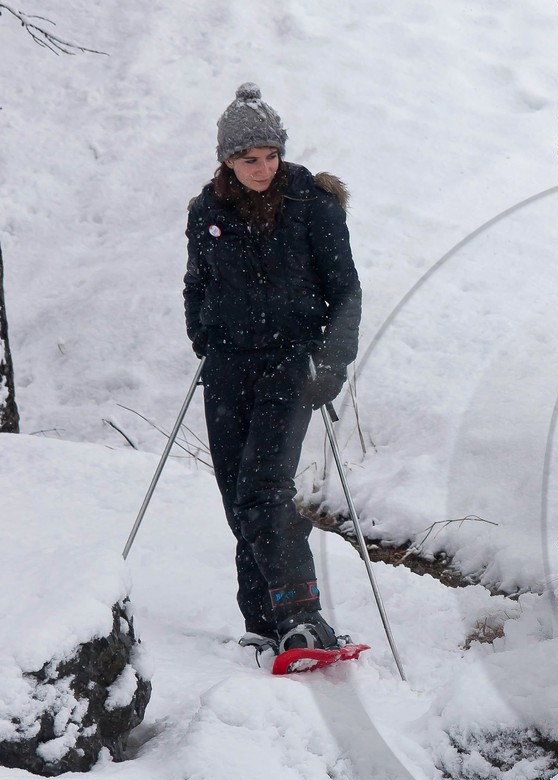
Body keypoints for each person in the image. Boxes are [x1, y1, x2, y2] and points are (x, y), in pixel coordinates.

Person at [182, 83, 361, 653]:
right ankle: (263, 621)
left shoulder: (314, 204)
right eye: (248, 159)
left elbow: (345, 292)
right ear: (227, 161)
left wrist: (332, 364)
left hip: (289, 364)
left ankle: (302, 616)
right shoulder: (206, 212)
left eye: (270, 156)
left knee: (264, 489)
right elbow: (196, 282)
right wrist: (202, 334)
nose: (262, 168)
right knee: (238, 494)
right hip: (228, 367)